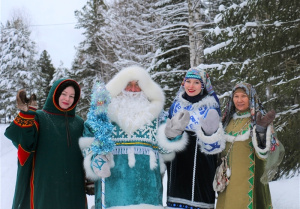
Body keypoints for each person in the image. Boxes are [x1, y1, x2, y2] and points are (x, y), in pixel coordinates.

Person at [79, 66, 168, 209]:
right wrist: (95, 160)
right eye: (128, 84)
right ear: (120, 86)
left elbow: (167, 150)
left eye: (137, 85)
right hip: (112, 195)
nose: (132, 90)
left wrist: (174, 134)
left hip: (148, 195)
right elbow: (89, 140)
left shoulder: (157, 115)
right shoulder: (102, 113)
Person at [4, 79, 87, 209]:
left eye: (72, 96)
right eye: (64, 94)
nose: (67, 99)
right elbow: (22, 141)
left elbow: (87, 153)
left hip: (73, 188)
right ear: (55, 93)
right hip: (44, 186)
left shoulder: (79, 123)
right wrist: (26, 115)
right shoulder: (39, 117)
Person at [157, 67, 225, 209]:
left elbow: (216, 144)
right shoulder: (176, 106)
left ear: (203, 85)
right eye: (188, 81)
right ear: (183, 83)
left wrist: (209, 135)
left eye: (196, 82)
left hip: (202, 169)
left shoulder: (211, 106)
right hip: (178, 169)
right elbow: (166, 140)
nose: (191, 86)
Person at [215, 83, 284, 209]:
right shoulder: (226, 120)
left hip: (247, 180)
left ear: (251, 98)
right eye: (236, 96)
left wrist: (261, 131)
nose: (239, 100)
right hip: (227, 182)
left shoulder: (258, 120)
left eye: (244, 96)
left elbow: (265, 154)